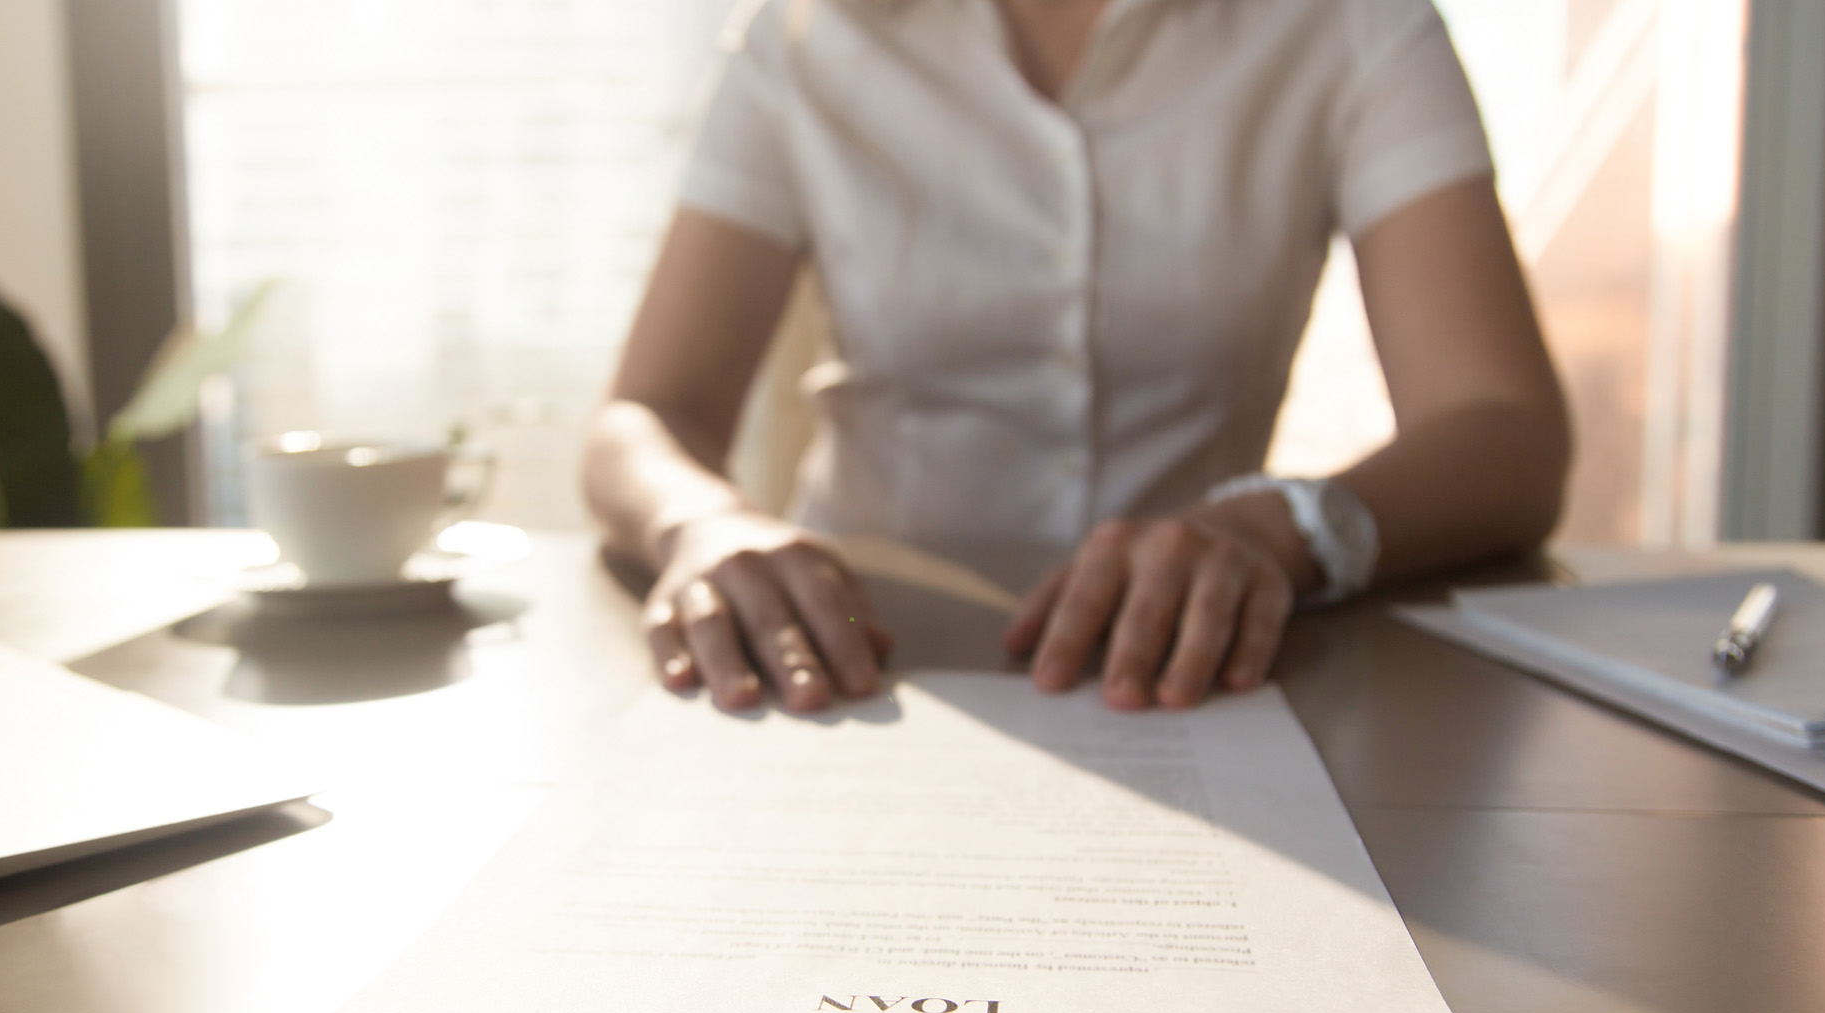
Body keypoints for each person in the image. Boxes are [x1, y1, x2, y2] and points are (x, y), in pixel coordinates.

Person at [582, 0, 1571, 713]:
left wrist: (1277, 530)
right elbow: (647, 415)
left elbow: (1506, 433)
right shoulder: (801, 41)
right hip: (849, 672)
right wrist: (703, 526)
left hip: (1196, 680)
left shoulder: (1348, 26)